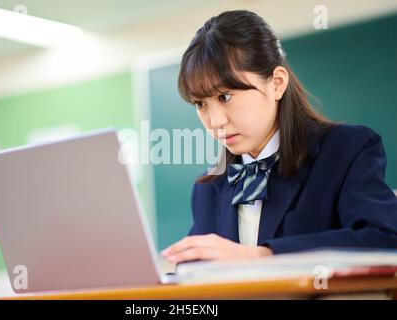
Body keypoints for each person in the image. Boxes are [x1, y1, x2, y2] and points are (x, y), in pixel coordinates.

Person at [161, 10, 397, 264]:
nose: (215, 121)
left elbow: (384, 239)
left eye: (225, 97)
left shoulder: (347, 150)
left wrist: (266, 255)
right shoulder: (207, 189)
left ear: (276, 83)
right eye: (199, 104)